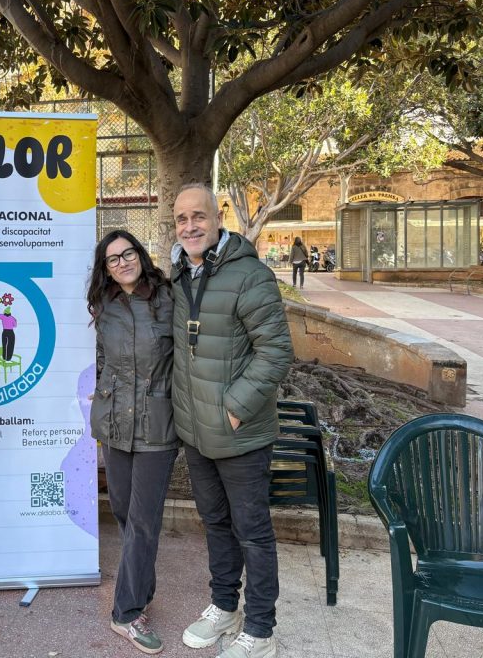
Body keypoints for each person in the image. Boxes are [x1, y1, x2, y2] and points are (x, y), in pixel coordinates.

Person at [170, 183, 294, 658]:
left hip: (239, 434)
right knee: (216, 524)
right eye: (181, 219)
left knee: (253, 533)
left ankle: (261, 630)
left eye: (198, 216)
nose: (190, 226)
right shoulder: (181, 274)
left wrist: (237, 407)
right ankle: (225, 606)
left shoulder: (250, 276)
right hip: (197, 433)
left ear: (217, 217)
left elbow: (276, 350)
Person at [86, 230, 179, 655]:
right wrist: (104, 388)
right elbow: (105, 356)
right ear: (105, 269)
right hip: (115, 421)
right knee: (123, 510)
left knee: (143, 520)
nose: (122, 263)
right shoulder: (106, 305)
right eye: (112, 259)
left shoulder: (168, 298)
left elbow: (184, 358)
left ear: (140, 255)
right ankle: (143, 584)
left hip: (158, 423)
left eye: (127, 254)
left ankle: (126, 613)